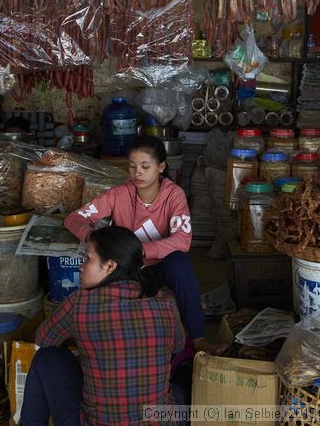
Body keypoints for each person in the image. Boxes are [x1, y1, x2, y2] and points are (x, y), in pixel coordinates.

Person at [64, 134, 225, 355]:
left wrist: (141, 250)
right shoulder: (118, 194)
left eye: (145, 166)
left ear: (161, 167)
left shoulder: (173, 195)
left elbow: (183, 240)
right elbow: (73, 218)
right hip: (128, 269)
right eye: (132, 166)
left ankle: (198, 338)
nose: (137, 172)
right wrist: (93, 237)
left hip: (160, 267)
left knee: (180, 263)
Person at [20, 226, 186, 426]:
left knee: (46, 357)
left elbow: (43, 339)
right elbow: (178, 346)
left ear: (110, 265)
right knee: (181, 381)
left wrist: (83, 341)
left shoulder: (80, 302)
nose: (81, 266)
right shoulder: (165, 303)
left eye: (88, 258)